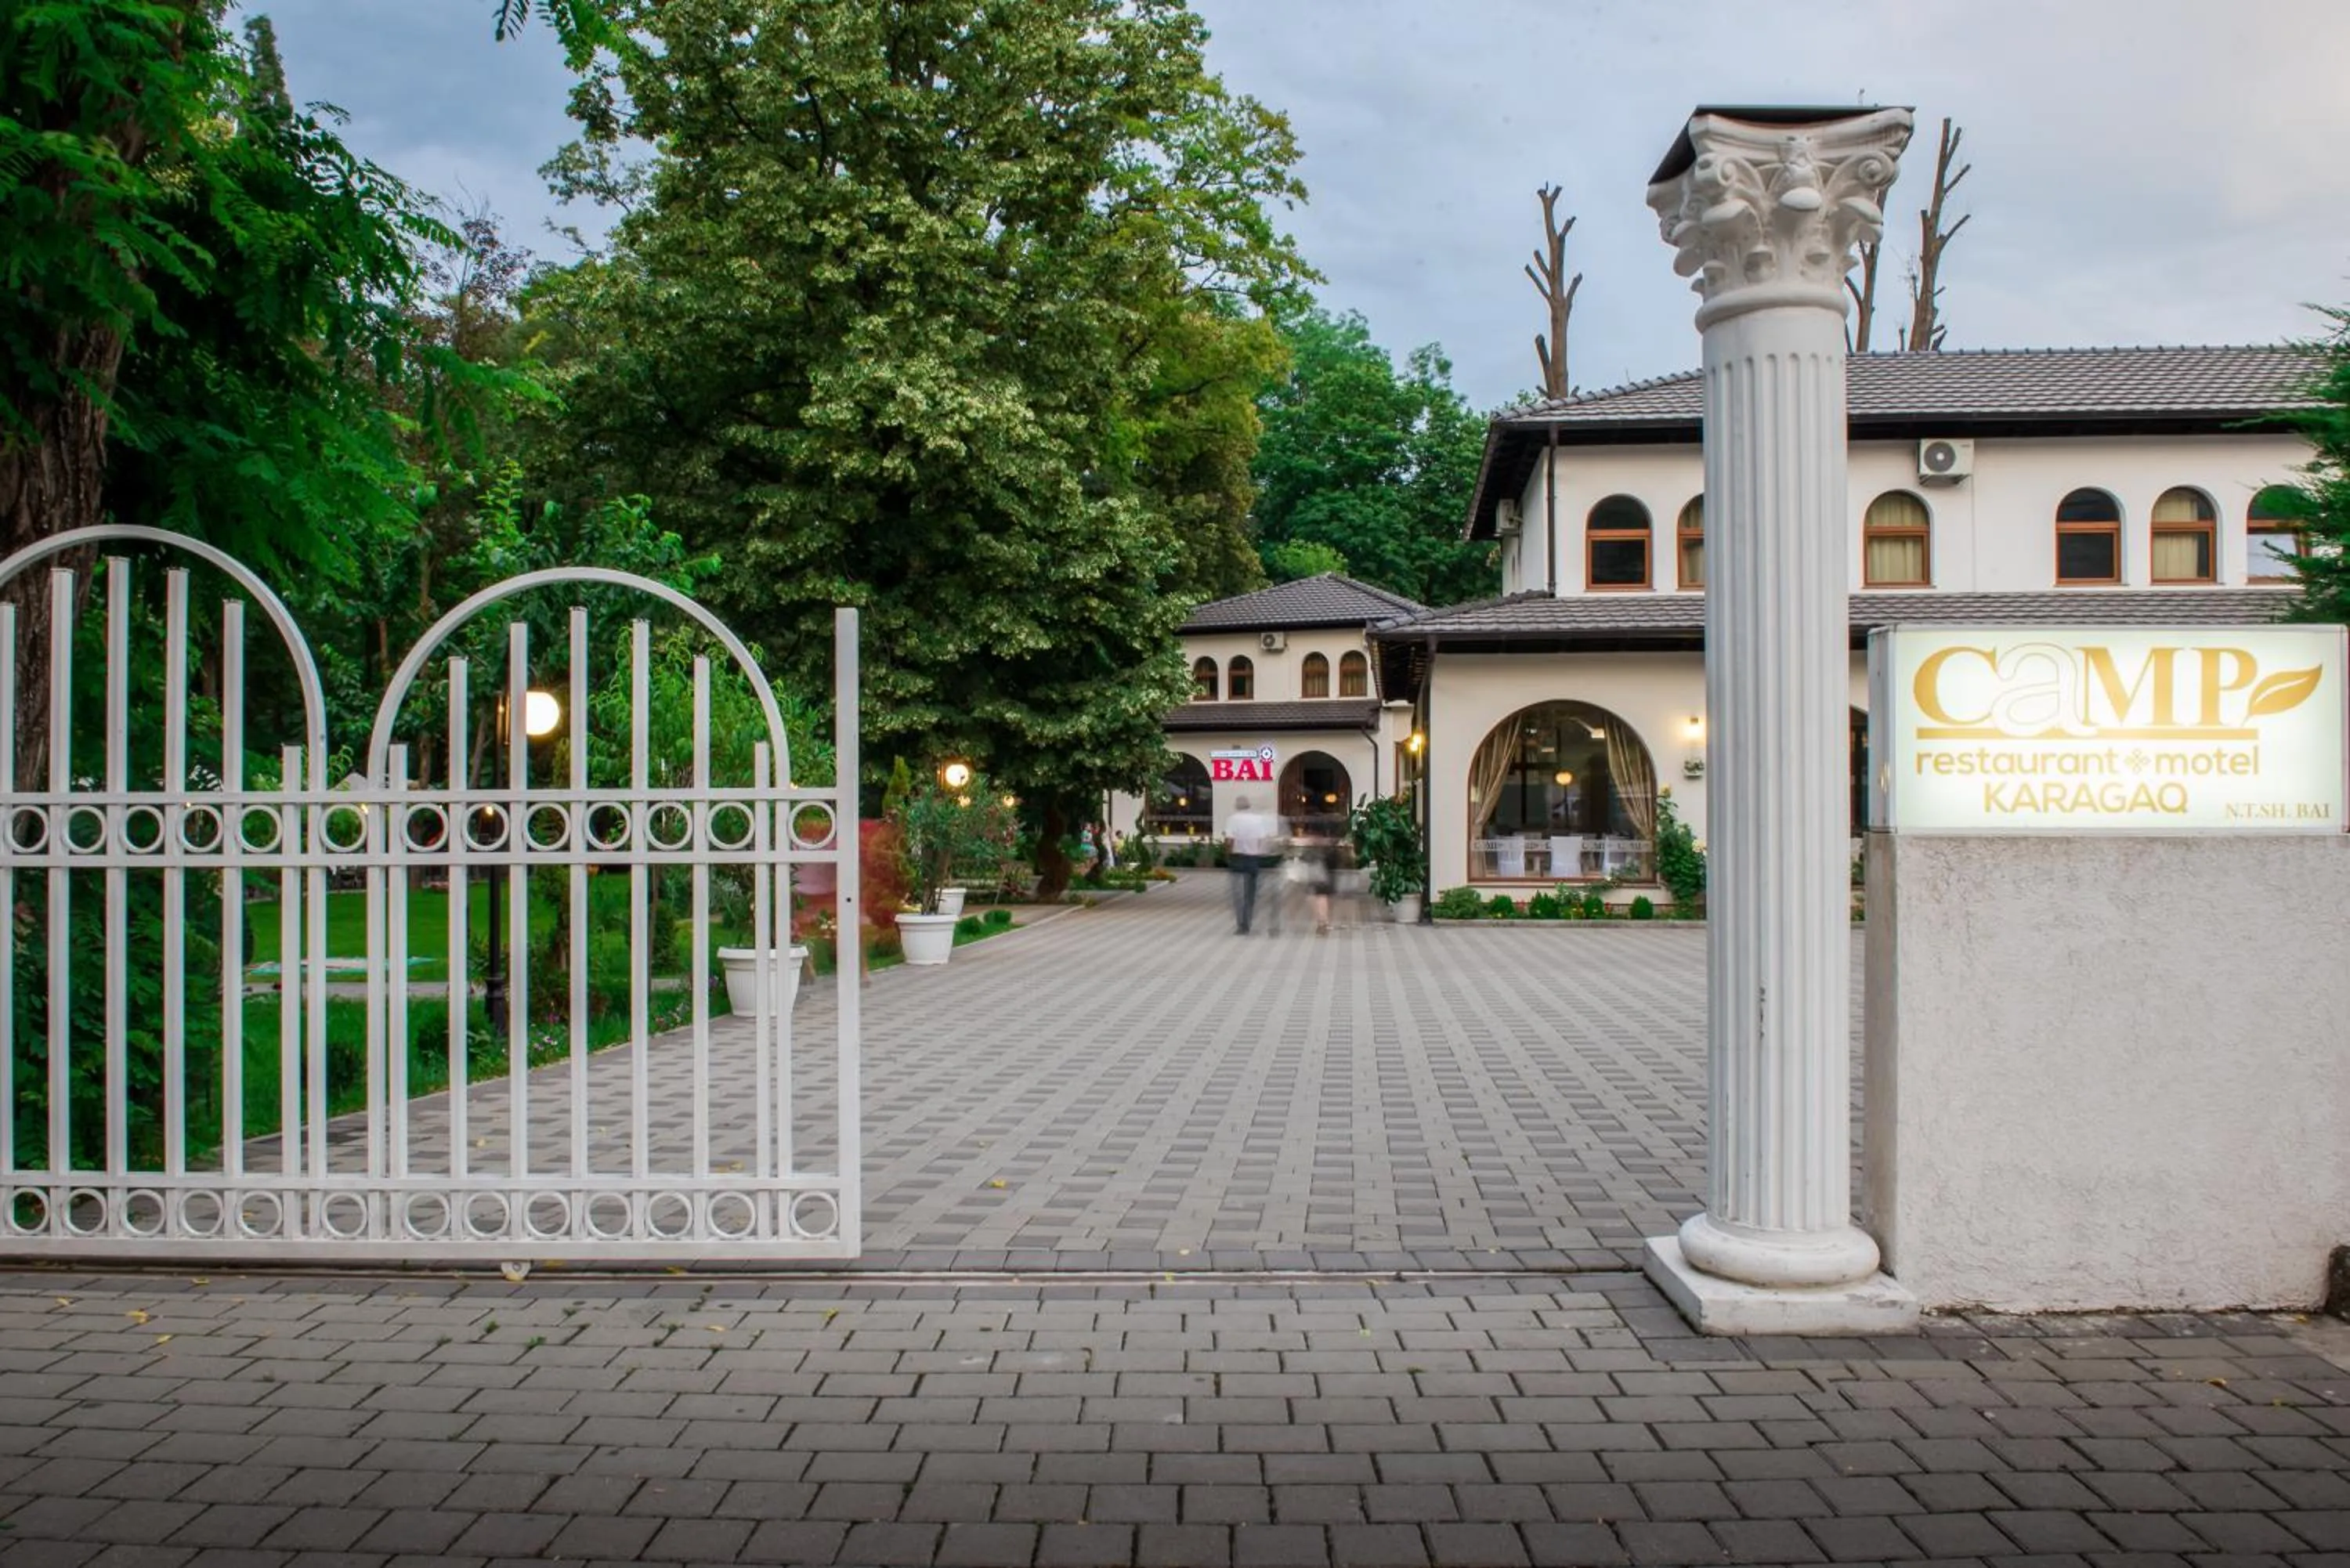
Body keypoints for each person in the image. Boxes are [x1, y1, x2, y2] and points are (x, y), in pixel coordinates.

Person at [1223, 795, 1281, 935]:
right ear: (1248, 806)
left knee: (1237, 893)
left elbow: (1229, 840)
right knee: (1251, 893)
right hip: (1253, 859)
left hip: (1237, 858)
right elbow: (1263, 840)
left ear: (1237, 806)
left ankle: (1241, 925)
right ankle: (1247, 921)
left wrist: (1227, 855)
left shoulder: (1233, 819)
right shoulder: (1258, 820)